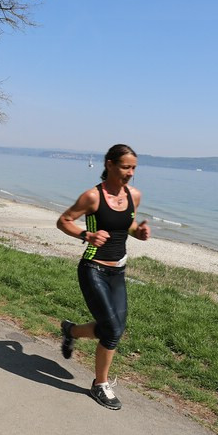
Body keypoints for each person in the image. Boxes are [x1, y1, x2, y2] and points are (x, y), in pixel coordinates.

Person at [56, 144, 151, 411]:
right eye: (125, 167)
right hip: (93, 268)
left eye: (133, 168)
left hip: (118, 271)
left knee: (114, 329)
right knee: (112, 330)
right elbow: (63, 220)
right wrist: (86, 235)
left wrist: (138, 232)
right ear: (109, 164)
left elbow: (128, 224)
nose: (130, 173)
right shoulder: (92, 197)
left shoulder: (135, 195)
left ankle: (71, 331)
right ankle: (100, 384)